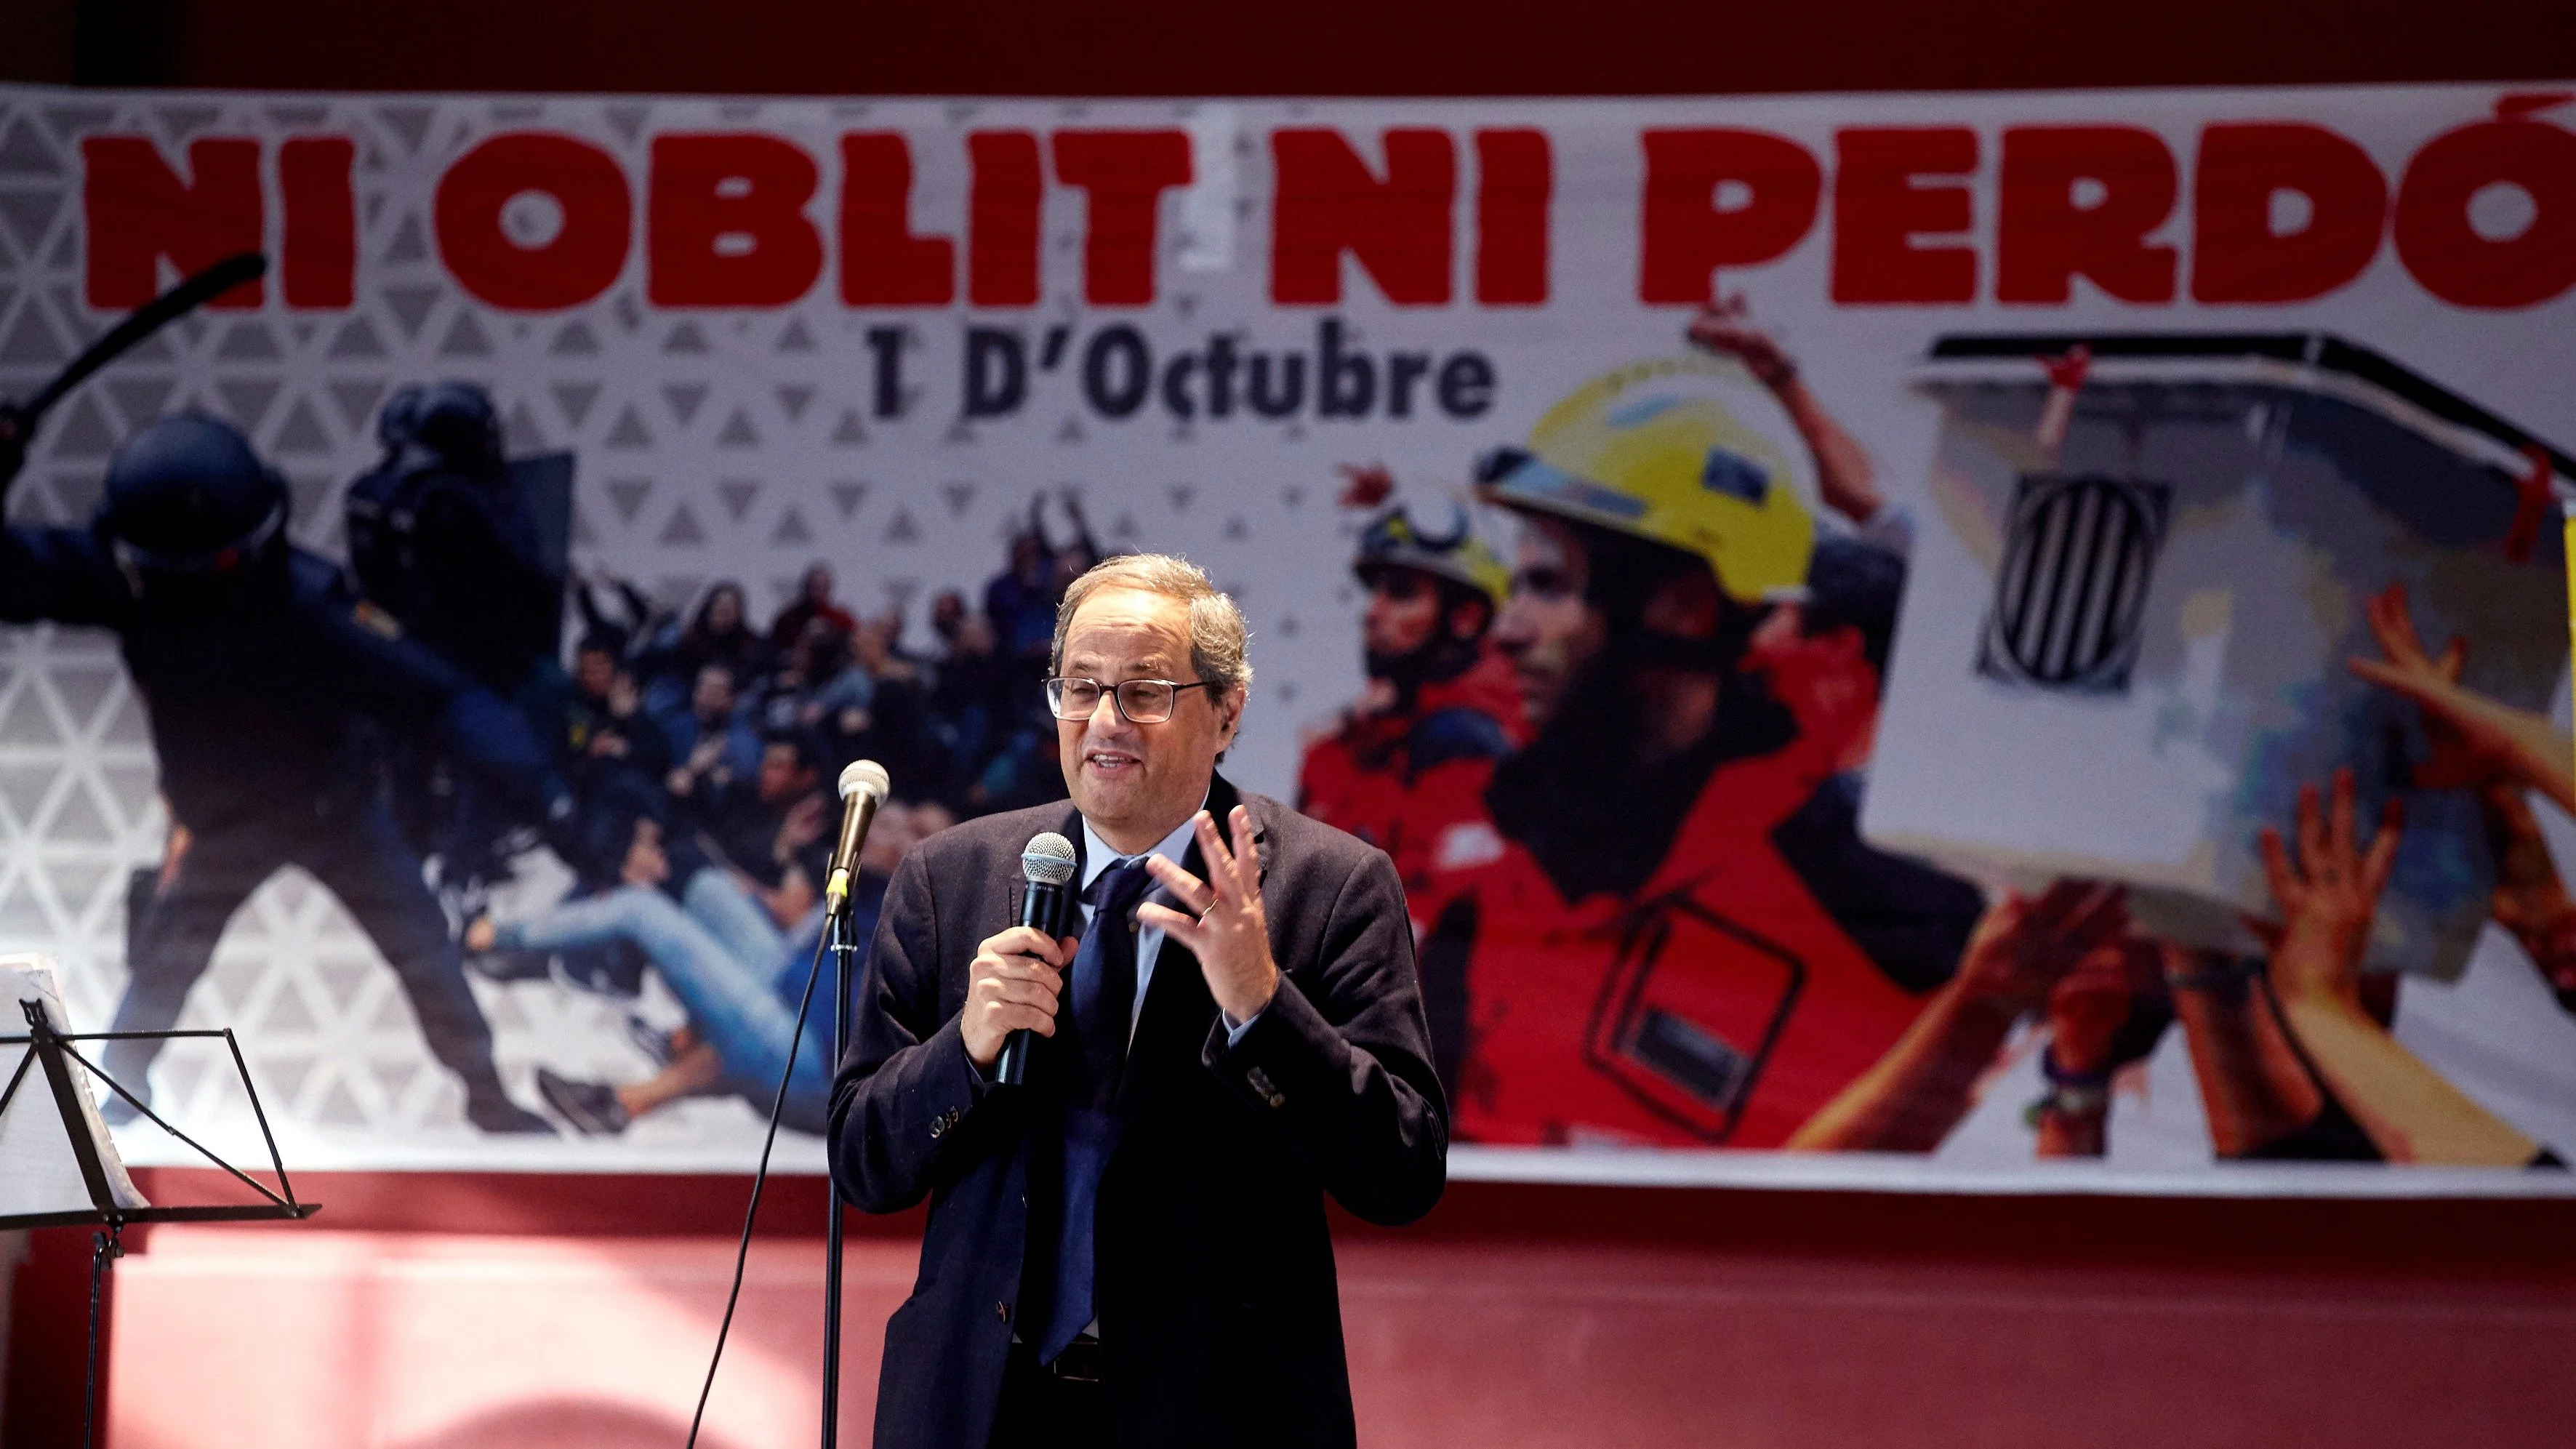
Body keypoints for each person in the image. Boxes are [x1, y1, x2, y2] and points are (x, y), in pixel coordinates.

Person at [830, 553, 1446, 1449]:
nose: (1104, 723)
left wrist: (1263, 1011)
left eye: (1145, 692)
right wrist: (962, 1049)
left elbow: (1402, 1170)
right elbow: (863, 1163)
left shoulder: (1331, 886)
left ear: (1227, 712)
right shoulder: (953, 877)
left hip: (1221, 1413)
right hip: (978, 1410)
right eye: (1080, 688)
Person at [0, 413, 569, 1132]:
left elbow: (441, 696)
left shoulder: (307, 603)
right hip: (226, 821)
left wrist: (546, 790)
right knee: (168, 961)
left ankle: (484, 1091)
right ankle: (122, 1095)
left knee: (422, 949)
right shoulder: (129, 582)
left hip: (339, 812)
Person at [1296, 466, 1522, 891]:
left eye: (1401, 593)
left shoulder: (1472, 742)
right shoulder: (1360, 740)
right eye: (1375, 591)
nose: (1372, 612)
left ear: (1466, 617)